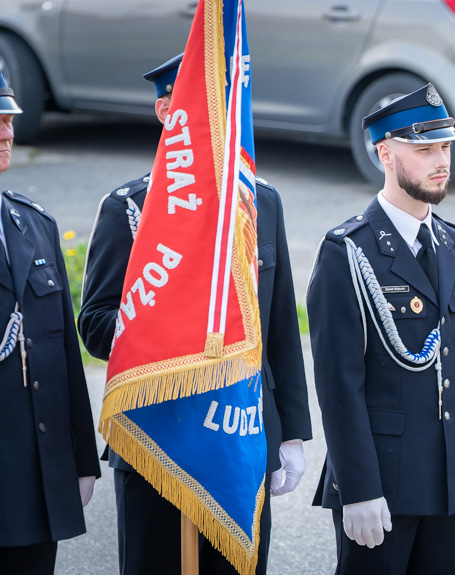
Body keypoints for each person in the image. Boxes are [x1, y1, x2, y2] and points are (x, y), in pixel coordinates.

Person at [78, 54, 312, 575]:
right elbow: (95, 324)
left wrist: (291, 431)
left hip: (241, 435)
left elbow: (278, 328)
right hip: (157, 439)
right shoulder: (129, 209)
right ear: (167, 111)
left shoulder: (260, 203)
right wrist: (167, 319)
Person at [307, 83, 455, 575]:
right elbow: (338, 386)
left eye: (444, 147)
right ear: (385, 154)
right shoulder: (347, 251)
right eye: (424, 149)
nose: (441, 161)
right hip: (382, 482)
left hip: (449, 479)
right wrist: (359, 488)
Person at [0, 73, 100, 575]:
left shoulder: (33, 224)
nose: (6, 132)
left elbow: (64, 357)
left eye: (9, 119)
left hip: (35, 480)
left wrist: (82, 456)